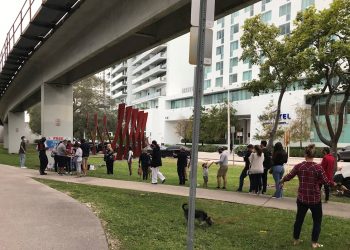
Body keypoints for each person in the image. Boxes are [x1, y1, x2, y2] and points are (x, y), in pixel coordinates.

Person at [280, 144, 333, 249]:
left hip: (302, 199)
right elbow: (327, 182)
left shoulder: (299, 166)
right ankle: (314, 243)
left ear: (305, 154)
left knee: (299, 220)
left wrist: (282, 180)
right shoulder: (318, 168)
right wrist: (336, 185)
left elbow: (289, 176)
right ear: (314, 155)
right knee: (317, 221)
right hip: (315, 199)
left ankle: (296, 239)